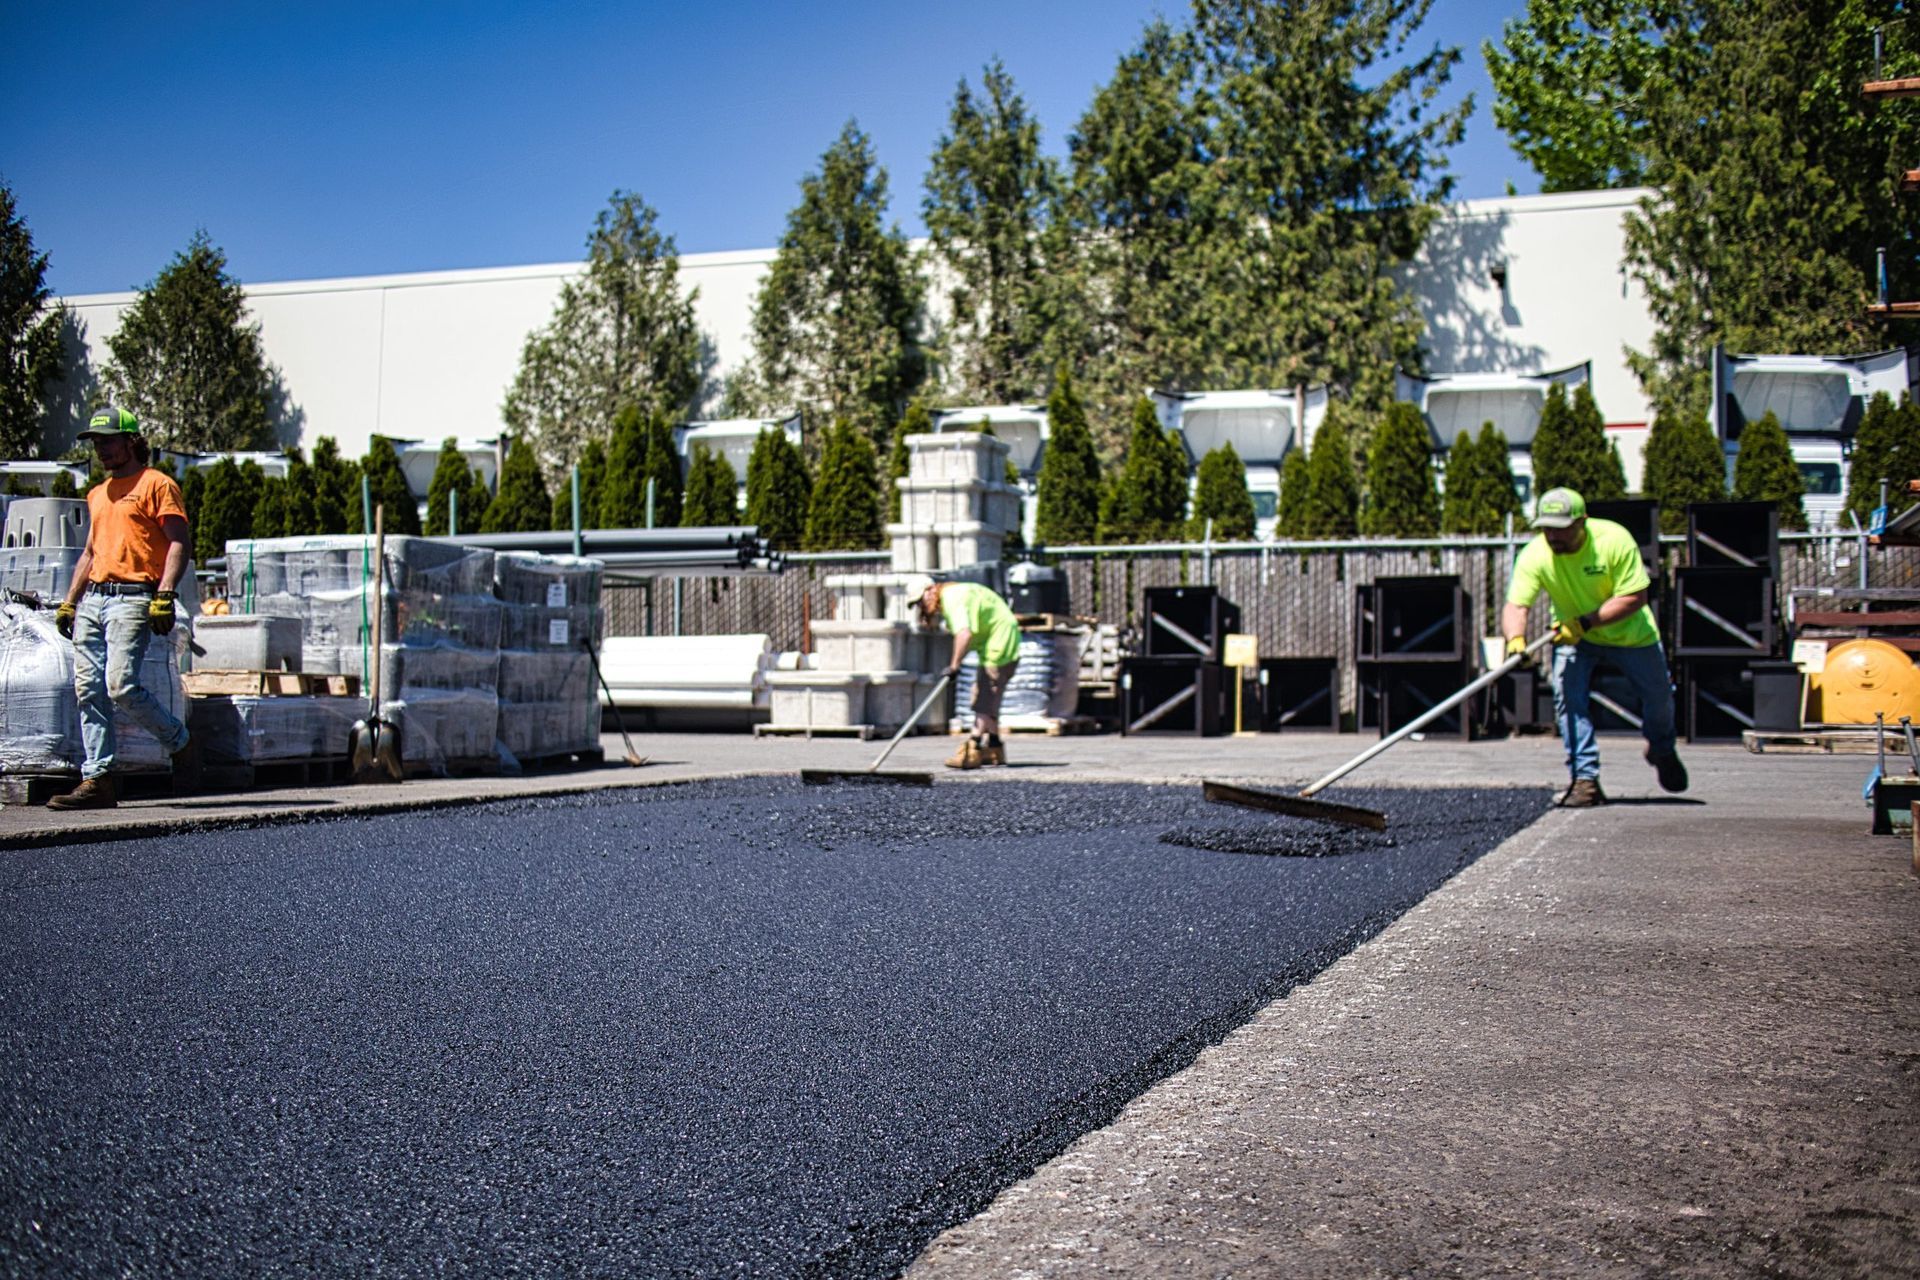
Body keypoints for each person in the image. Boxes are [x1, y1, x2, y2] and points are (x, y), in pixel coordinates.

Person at [47, 406, 199, 810]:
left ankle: (179, 743)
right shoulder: (97, 494)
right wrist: (69, 602)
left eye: (109, 440)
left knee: (121, 686)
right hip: (95, 598)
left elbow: (179, 543)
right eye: (96, 443)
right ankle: (98, 779)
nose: (101, 449)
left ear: (132, 441)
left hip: (133, 598)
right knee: (87, 690)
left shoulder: (157, 485)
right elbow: (90, 553)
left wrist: (165, 594)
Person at [1501, 487, 1686, 808]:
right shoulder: (1535, 554)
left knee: (1660, 700)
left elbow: (1635, 596)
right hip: (1577, 640)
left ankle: (1661, 748)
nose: (1552, 535)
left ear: (1582, 521)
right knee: (1568, 701)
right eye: (1546, 528)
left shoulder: (1613, 541)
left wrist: (1584, 623)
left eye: (1560, 528)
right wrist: (1515, 639)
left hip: (1632, 635)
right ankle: (1585, 780)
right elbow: (1517, 604)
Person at [918, 580, 1022, 770]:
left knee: (983, 699)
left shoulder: (952, 598)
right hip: (1000, 641)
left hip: (999, 645)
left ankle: (971, 749)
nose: (921, 606)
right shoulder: (958, 591)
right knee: (989, 699)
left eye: (920, 600)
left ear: (931, 590)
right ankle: (994, 748)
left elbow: (964, 634)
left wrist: (954, 666)